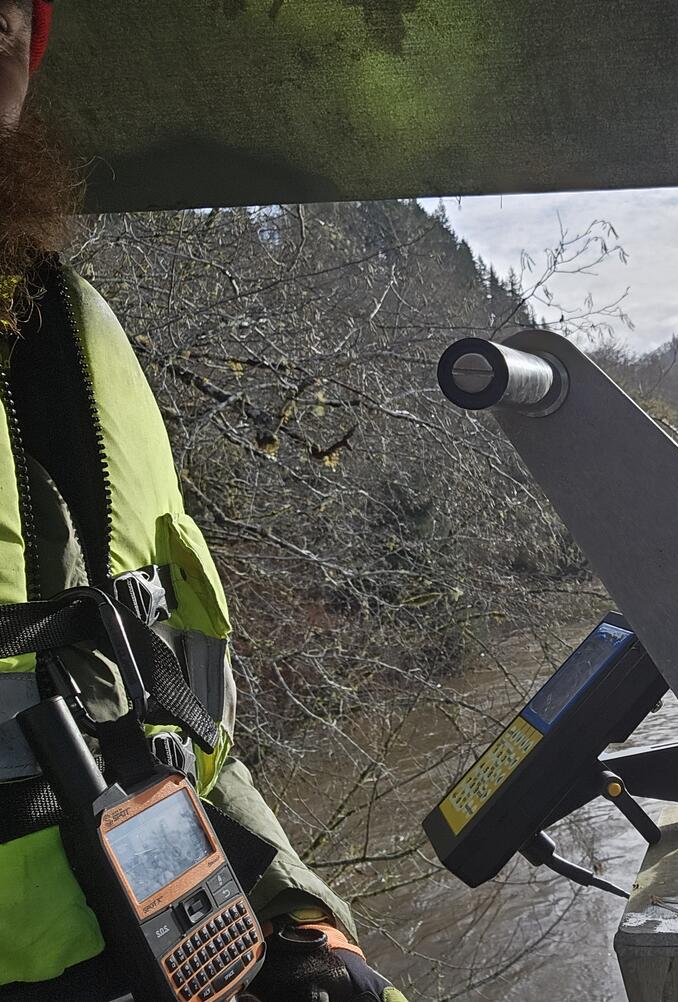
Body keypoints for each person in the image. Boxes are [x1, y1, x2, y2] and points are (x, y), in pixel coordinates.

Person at [0, 3, 407, 999]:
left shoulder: (66, 323)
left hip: (181, 950)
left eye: (4, 32)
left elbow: (155, 716)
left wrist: (297, 917)